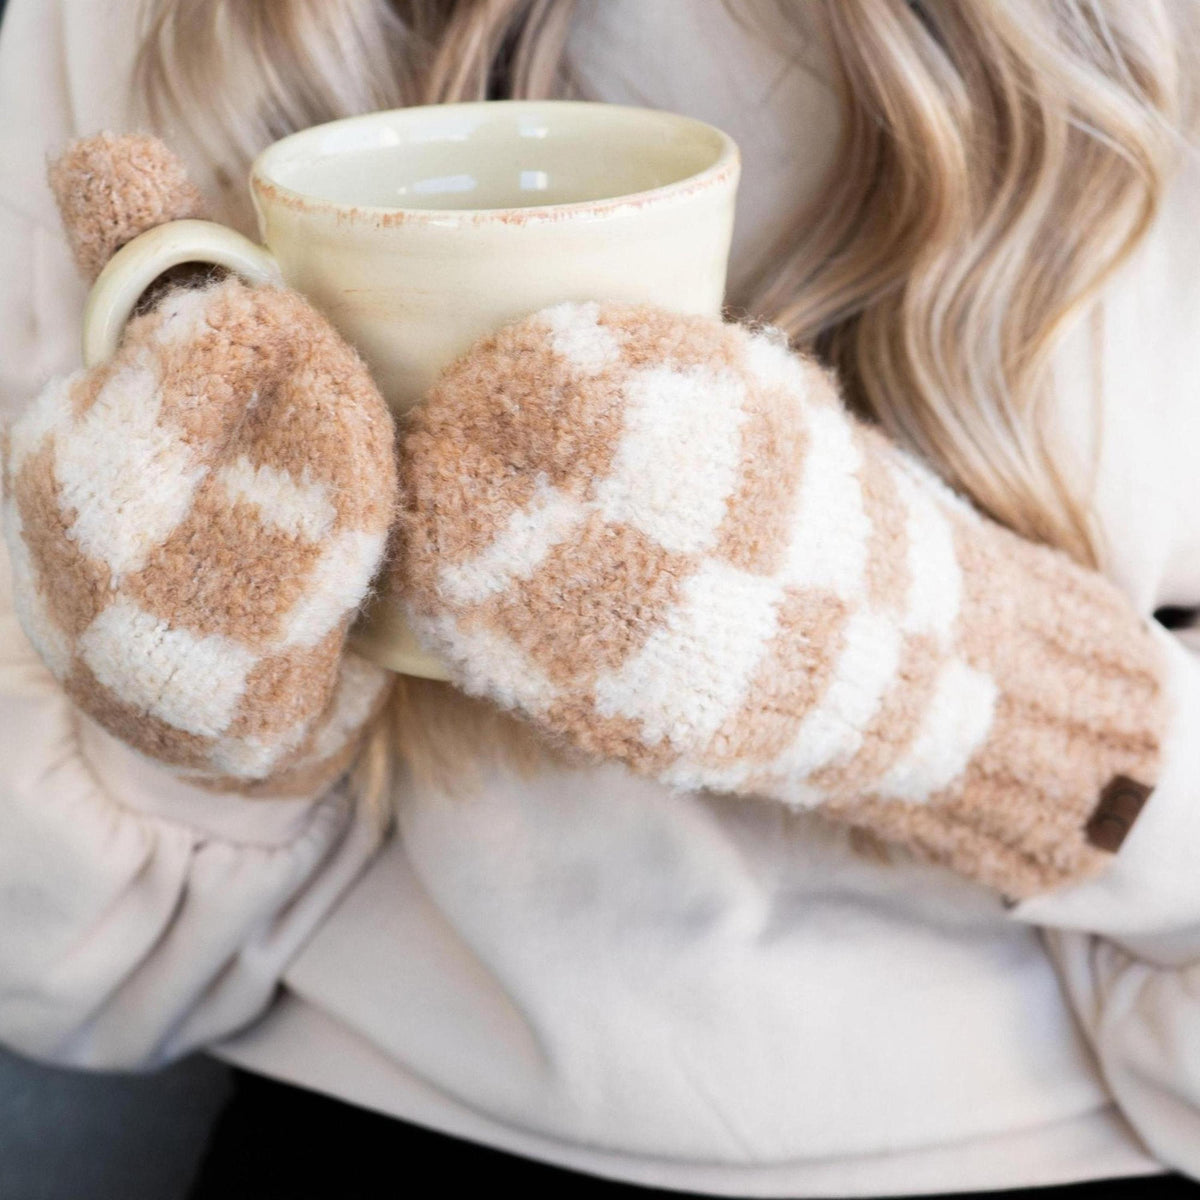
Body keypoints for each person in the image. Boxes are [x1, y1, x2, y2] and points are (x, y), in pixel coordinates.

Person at [3, 1, 1200, 1197]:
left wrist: (967, 691)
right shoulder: (152, 25)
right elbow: (60, 974)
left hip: (1038, 1127)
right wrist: (204, 667)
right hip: (380, 1101)